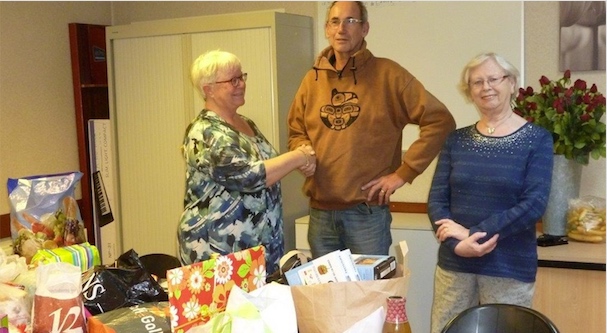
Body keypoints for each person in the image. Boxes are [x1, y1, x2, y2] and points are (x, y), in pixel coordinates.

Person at [287, 1, 455, 259]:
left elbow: (440, 120)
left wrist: (402, 174)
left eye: (350, 21)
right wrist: (302, 151)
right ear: (327, 29)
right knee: (327, 296)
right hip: (320, 215)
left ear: (365, 28)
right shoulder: (312, 79)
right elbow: (296, 130)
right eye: (335, 21)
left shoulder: (388, 75)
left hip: (366, 215)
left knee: (369, 295)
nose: (341, 29)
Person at [427, 53, 554, 333]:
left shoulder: (537, 139)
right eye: (477, 82)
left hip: (508, 265)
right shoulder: (456, 140)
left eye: (494, 79)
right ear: (469, 92)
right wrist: (458, 243)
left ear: (512, 83)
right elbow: (437, 200)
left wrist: (472, 234)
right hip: (455, 262)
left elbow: (534, 204)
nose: (486, 87)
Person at [178, 50, 316, 275]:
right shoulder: (205, 131)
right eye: (232, 80)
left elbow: (269, 166)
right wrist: (299, 157)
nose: (241, 84)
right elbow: (249, 177)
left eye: (242, 77)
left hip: (259, 246)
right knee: (228, 311)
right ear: (208, 89)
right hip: (218, 249)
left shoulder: (246, 123)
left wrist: (301, 160)